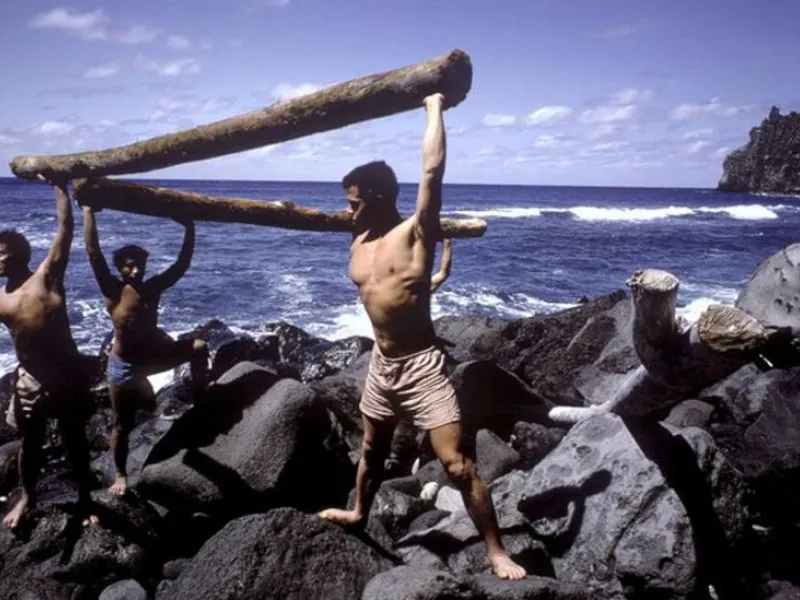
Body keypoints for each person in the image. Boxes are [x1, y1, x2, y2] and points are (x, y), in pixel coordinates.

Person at [318, 93, 526, 580]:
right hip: (380, 366)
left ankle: (496, 551)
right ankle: (358, 513)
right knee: (371, 450)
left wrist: (433, 106)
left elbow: (431, 172)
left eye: (352, 203)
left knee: (456, 465)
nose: (346, 212)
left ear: (376, 199)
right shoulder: (358, 239)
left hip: (423, 367)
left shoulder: (415, 233)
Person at [81, 204, 208, 497]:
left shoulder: (153, 288)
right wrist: (88, 211)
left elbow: (181, 265)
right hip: (124, 367)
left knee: (199, 346)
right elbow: (93, 253)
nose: (136, 269)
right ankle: (122, 474)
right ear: (119, 267)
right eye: (129, 264)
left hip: (153, 359)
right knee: (122, 424)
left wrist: (190, 227)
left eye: (139, 263)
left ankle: (203, 398)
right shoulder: (113, 289)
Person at [0, 176, 95, 529]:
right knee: (31, 442)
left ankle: (86, 499)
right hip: (30, 381)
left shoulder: (47, 277)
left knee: (75, 439)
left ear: (18, 254)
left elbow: (64, 232)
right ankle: (27, 497)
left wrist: (59, 186)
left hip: (67, 374)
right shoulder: (1, 298)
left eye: (1, 251)